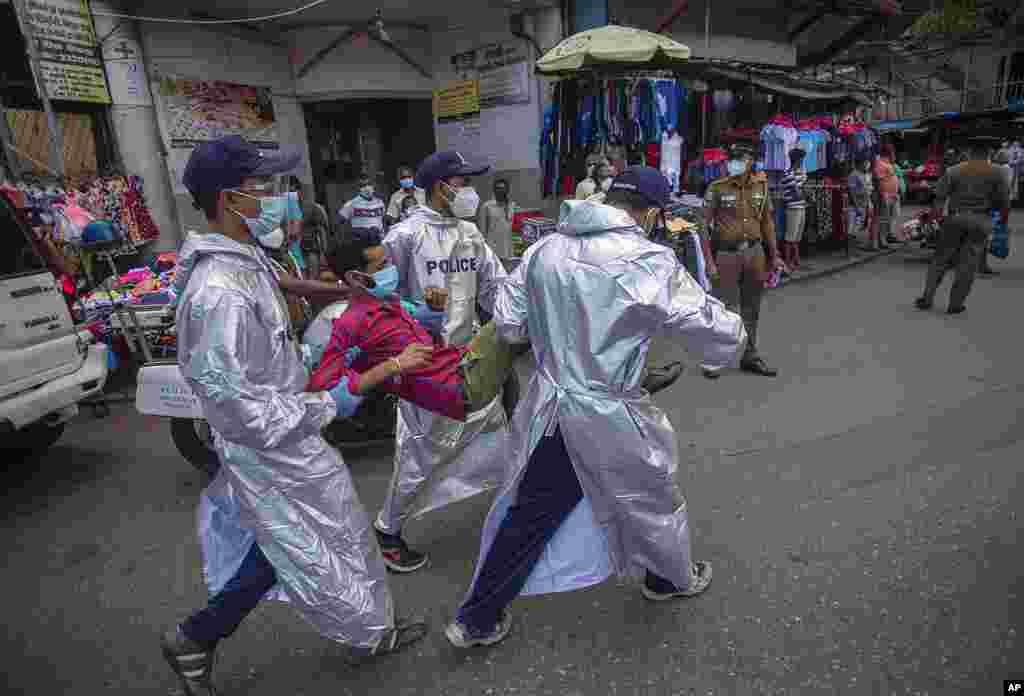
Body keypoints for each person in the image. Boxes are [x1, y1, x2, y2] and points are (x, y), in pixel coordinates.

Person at [162, 136, 426, 696]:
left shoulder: (241, 255)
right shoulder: (218, 297)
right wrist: (334, 402)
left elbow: (273, 280)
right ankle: (195, 638)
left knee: (317, 539)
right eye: (263, 189)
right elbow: (239, 411)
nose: (279, 197)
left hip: (289, 430)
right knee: (310, 542)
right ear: (229, 199)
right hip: (272, 446)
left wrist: (335, 291)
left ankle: (365, 629)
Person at [444, 167, 747, 649]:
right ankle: (668, 579)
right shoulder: (648, 260)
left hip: (553, 405)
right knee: (648, 495)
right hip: (606, 411)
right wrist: (728, 349)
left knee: (537, 509)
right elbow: (715, 328)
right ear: (650, 212)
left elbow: (507, 323)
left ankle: (477, 618)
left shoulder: (545, 250)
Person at [377, 150, 512, 573]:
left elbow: (496, 290)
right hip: (425, 364)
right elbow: (373, 297)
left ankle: (508, 506)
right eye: (463, 182)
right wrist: (413, 311)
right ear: (442, 187)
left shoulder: (470, 234)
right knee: (420, 452)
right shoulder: (404, 237)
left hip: (469, 357)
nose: (470, 191)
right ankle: (388, 529)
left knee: (494, 430)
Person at [306, 236, 527, 422]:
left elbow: (420, 319)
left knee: (522, 314)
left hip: (461, 363)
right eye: (382, 266)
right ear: (356, 277)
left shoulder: (391, 302)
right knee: (518, 303)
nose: (391, 270)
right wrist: (392, 366)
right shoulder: (350, 323)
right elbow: (322, 395)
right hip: (459, 387)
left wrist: (437, 307)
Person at [702, 142, 784, 378]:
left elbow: (767, 222)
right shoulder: (717, 187)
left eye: (741, 158)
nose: (734, 163)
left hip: (754, 252)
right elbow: (702, 225)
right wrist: (708, 260)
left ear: (751, 162)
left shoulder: (761, 186)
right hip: (727, 253)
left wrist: (774, 255)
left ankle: (750, 355)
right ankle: (715, 357)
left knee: (752, 307)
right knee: (724, 308)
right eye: (732, 158)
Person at [914, 140, 1011, 315]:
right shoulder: (998, 173)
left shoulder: (954, 171)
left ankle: (927, 298)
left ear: (969, 152)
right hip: (981, 220)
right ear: (988, 153)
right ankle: (955, 304)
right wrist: (1002, 222)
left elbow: (939, 199)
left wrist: (933, 220)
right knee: (968, 263)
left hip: (955, 218)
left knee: (941, 259)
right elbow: (1004, 202)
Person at [288, 175, 332, 279]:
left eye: (292, 190)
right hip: (291, 250)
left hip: (310, 249)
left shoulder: (312, 208)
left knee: (313, 278)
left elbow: (322, 231)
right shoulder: (284, 207)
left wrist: (323, 253)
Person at [780, 148, 808, 270]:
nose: (802, 161)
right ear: (797, 160)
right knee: (790, 237)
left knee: (796, 237)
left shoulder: (799, 172)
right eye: (801, 159)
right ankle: (787, 261)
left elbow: (802, 189)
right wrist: (804, 191)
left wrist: (803, 190)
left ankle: (796, 260)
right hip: (793, 207)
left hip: (801, 206)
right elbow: (798, 192)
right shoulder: (788, 173)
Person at [338, 173, 386, 244]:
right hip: (360, 244)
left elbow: (383, 222)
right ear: (358, 188)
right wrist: (356, 232)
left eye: (369, 184)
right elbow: (339, 223)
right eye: (363, 185)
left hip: (379, 242)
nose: (367, 188)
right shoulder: (351, 204)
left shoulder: (380, 202)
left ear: (373, 185)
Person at [477, 178, 517, 260]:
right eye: (498, 188)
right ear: (494, 190)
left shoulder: (512, 205)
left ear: (507, 190)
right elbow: (482, 231)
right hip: (493, 249)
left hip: (508, 249)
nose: (501, 191)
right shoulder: (487, 206)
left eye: (503, 188)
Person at [874, 146, 899, 250]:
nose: (895, 155)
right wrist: (883, 193)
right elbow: (879, 181)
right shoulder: (880, 164)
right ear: (889, 153)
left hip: (892, 194)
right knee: (884, 219)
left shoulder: (888, 164)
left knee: (890, 217)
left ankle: (887, 237)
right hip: (886, 195)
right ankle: (882, 240)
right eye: (893, 153)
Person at [847, 158, 874, 249]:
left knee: (858, 227)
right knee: (852, 229)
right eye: (865, 163)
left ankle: (853, 249)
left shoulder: (863, 174)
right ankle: (850, 251)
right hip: (855, 206)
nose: (867, 165)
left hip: (863, 204)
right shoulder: (853, 175)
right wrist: (856, 206)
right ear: (860, 163)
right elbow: (852, 192)